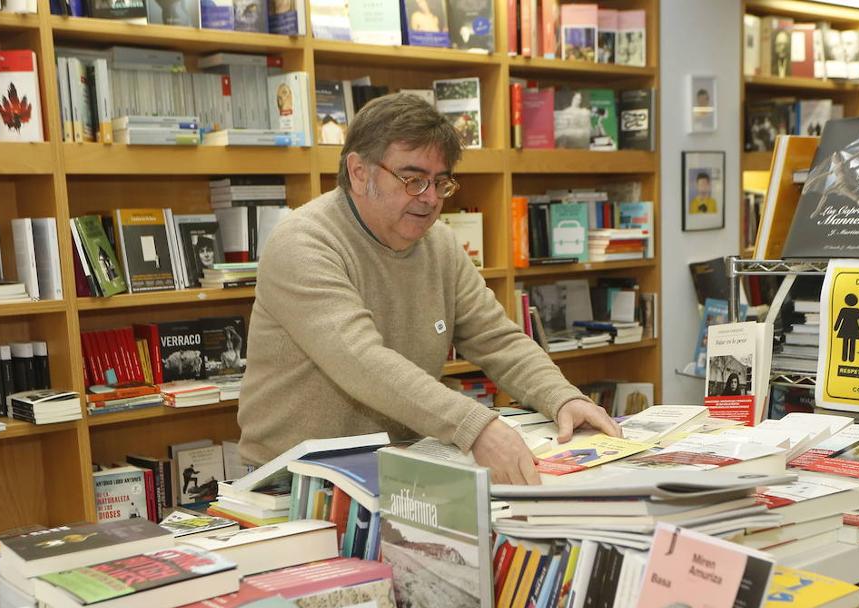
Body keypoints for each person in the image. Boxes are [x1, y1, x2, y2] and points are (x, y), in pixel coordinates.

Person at [237, 93, 618, 485]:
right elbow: (363, 361)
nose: (431, 199)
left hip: (401, 469)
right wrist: (477, 427)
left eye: (440, 182)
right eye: (413, 180)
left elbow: (497, 339)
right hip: (292, 482)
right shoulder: (303, 243)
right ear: (359, 172)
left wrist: (563, 397)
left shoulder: (440, 245)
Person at [833, 293, 859, 362]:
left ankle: (844, 357)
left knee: (845, 343)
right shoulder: (857, 311)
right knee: (852, 344)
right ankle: (851, 358)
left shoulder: (844, 310)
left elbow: (839, 319)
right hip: (854, 329)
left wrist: (836, 327)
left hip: (845, 329)